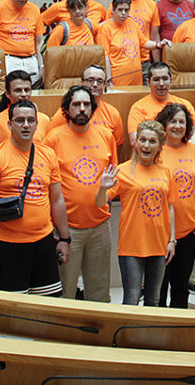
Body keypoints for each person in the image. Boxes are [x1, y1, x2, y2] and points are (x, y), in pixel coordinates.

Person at [0, 100, 71, 295]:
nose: (26, 125)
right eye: (20, 120)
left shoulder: (48, 155)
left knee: (47, 306)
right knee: (9, 311)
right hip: (6, 245)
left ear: (37, 124)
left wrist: (64, 238)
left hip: (43, 242)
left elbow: (57, 199)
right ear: (9, 124)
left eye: (30, 120)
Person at [43, 87, 117, 302]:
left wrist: (105, 194)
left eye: (86, 104)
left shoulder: (105, 135)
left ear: (93, 108)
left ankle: (97, 332)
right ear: (67, 109)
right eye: (76, 104)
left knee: (99, 289)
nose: (82, 109)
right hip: (67, 230)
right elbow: (45, 183)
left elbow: (115, 176)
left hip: (100, 226)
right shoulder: (53, 139)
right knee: (65, 289)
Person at [96, 119, 175, 306]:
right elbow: (99, 202)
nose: (146, 145)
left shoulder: (165, 171)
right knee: (131, 298)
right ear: (136, 142)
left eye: (152, 141)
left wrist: (172, 240)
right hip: (132, 245)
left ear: (160, 146)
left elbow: (170, 206)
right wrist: (101, 188)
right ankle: (127, 336)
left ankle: (147, 336)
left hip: (159, 244)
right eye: (143, 140)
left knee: (154, 299)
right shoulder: (122, 171)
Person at [156, 103, 195, 308]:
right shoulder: (156, 151)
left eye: (182, 122)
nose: (177, 126)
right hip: (161, 231)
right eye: (172, 121)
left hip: (189, 228)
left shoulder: (194, 150)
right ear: (164, 125)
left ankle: (178, 332)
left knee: (181, 285)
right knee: (159, 286)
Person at [47, 64, 125, 146]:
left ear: (104, 86)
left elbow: (117, 146)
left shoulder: (113, 113)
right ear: (81, 83)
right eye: (90, 80)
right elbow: (50, 140)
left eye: (100, 81)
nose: (95, 84)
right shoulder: (67, 111)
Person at [97, 0, 165, 87]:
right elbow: (105, 58)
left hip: (136, 78)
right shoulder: (105, 29)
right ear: (113, 10)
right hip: (117, 79)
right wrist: (108, 81)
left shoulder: (132, 23)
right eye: (120, 10)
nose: (123, 13)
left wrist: (158, 45)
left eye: (126, 10)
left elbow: (144, 42)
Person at [127, 62, 195, 145]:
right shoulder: (138, 108)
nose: (161, 84)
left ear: (171, 81)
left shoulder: (185, 104)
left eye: (165, 79)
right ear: (148, 82)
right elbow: (135, 141)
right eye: (156, 80)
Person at [120, 0, 162, 70]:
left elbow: (155, 36)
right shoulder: (118, 5)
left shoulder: (151, 4)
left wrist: (157, 64)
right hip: (123, 60)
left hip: (144, 61)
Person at [0, 70, 50, 144]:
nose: (24, 94)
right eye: (18, 90)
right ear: (8, 94)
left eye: (27, 90)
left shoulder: (44, 120)